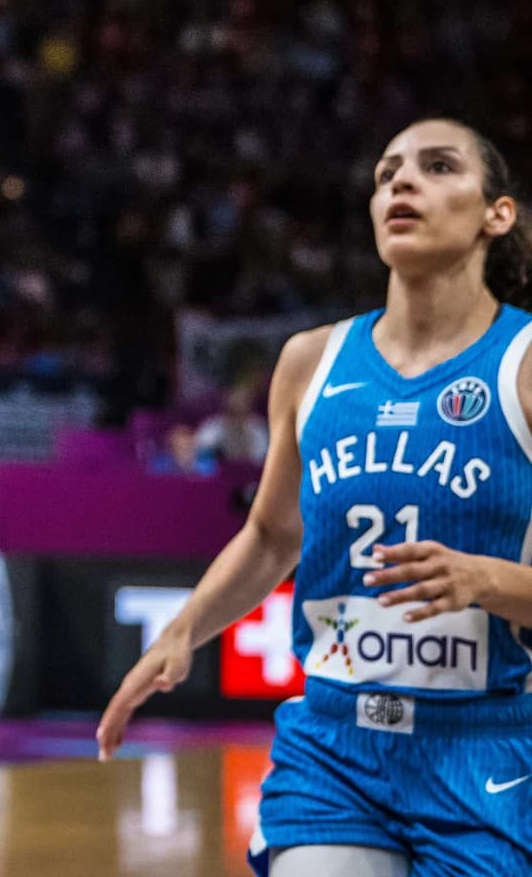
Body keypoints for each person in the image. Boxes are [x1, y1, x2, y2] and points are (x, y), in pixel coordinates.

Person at [99, 119, 532, 876]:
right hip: (335, 745)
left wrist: (487, 581)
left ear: (497, 214)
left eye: (437, 167)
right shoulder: (311, 362)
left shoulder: (524, 363)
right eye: (387, 172)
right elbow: (272, 537)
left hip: (487, 745)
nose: (401, 182)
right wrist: (183, 632)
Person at [149, 423, 221, 478]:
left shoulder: (210, 468)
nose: (185, 452)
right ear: (171, 449)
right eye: (179, 448)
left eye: (188, 447)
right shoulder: (158, 466)